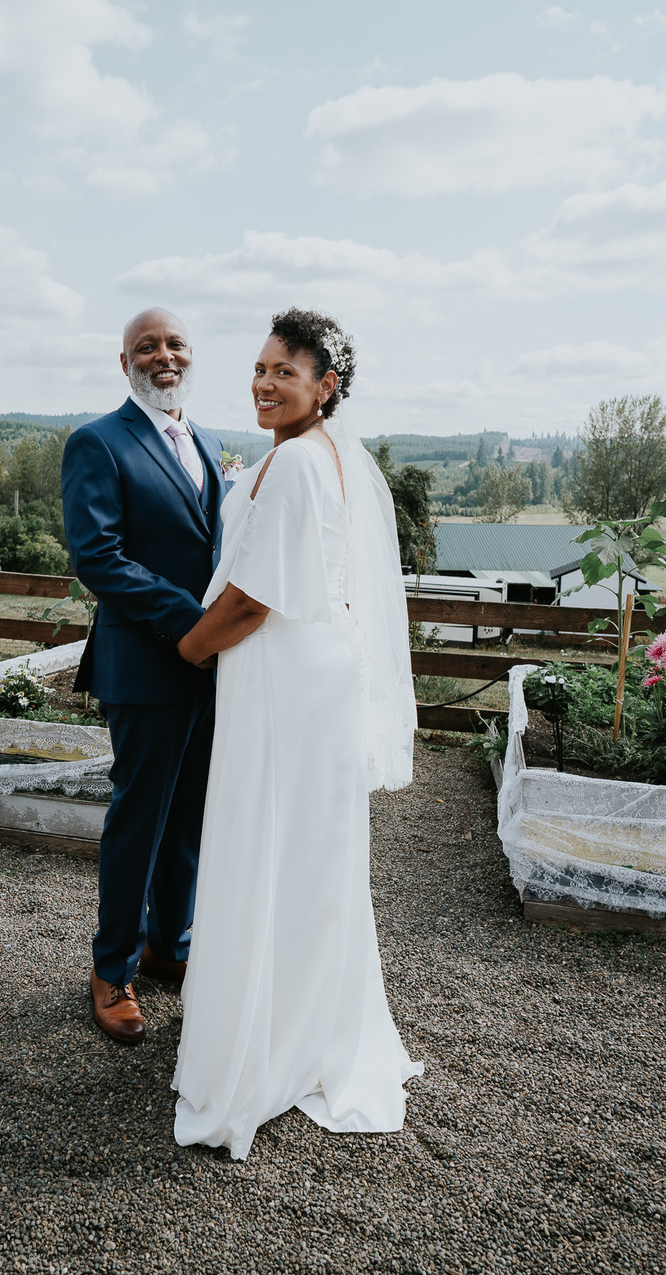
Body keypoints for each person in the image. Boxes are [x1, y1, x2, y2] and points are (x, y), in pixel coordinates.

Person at [171, 307, 423, 1159]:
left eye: (286, 371)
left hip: (282, 673)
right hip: (319, 674)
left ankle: (258, 1054)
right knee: (307, 859)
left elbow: (251, 599)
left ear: (327, 386)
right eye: (260, 368)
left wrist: (190, 648)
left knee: (263, 847)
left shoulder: (296, 467)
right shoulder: (321, 460)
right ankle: (302, 1027)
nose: (266, 383)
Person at [60, 308, 227, 1045]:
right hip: (148, 663)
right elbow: (97, 556)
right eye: (147, 347)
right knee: (140, 822)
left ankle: (169, 946)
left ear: (193, 356)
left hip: (217, 665)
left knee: (191, 818)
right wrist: (191, 619)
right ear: (122, 361)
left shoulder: (212, 443)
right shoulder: (98, 442)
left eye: (176, 344)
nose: (165, 356)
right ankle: (111, 970)